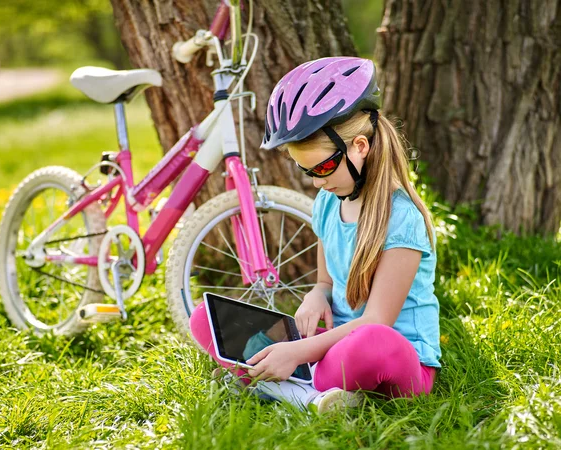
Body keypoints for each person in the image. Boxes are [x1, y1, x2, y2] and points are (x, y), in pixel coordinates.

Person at [189, 57, 441, 412]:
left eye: (322, 167)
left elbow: (376, 320)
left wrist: (296, 351)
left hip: (398, 357)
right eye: (305, 170)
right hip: (336, 344)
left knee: (370, 341)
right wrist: (317, 295)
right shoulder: (327, 201)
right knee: (207, 319)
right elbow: (325, 281)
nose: (316, 181)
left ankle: (284, 386)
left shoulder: (402, 219)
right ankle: (317, 394)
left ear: (359, 147)